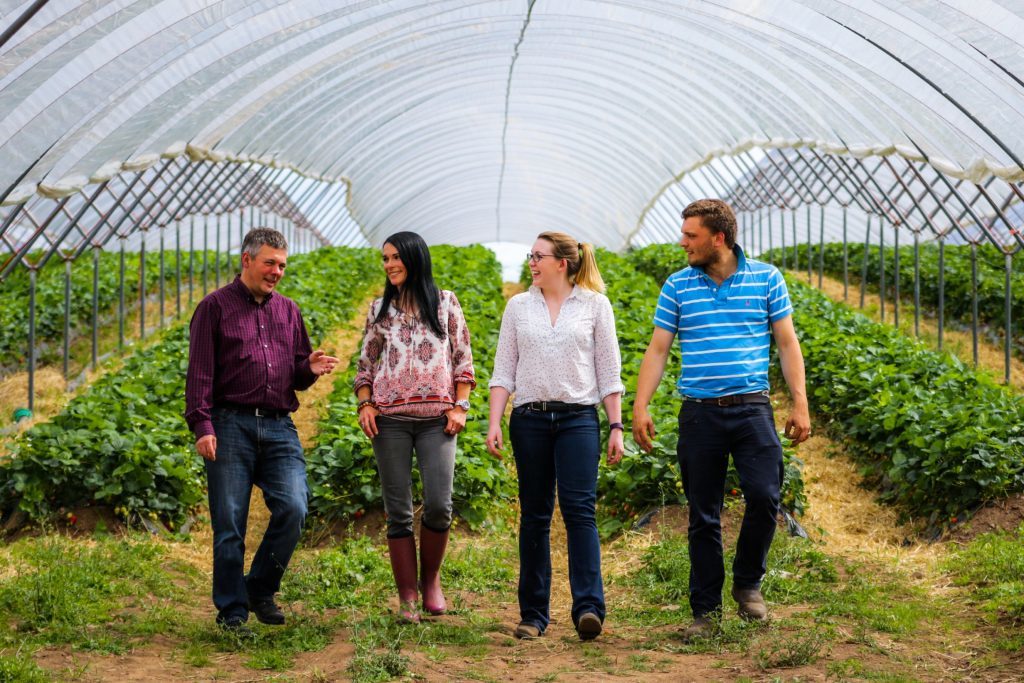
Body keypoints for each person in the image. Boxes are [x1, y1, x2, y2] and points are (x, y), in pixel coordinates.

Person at [632, 198, 810, 640]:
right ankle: (705, 612)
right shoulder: (677, 286)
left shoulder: (767, 279)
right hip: (699, 413)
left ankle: (748, 583)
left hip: (753, 408)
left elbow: (787, 344)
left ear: (719, 237)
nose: (683, 242)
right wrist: (640, 405)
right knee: (703, 514)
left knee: (766, 496)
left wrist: (800, 402)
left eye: (691, 235)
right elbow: (658, 350)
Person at [185, 227, 339, 634]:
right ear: (247, 260)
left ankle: (260, 588)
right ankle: (232, 611)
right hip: (229, 423)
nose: (277, 271)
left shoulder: (288, 310)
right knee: (229, 523)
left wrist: (309, 368)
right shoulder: (213, 308)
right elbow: (199, 372)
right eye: (270, 262)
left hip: (277, 425)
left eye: (283, 265)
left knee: (294, 506)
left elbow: (297, 373)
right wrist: (202, 424)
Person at [487, 231, 625, 642]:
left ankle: (588, 607)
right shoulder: (518, 306)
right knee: (534, 514)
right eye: (530, 255)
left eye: (538, 256)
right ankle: (533, 614)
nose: (531, 262)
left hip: (579, 420)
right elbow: (503, 370)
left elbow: (609, 373)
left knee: (580, 511)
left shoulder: (595, 306)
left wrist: (615, 426)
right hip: (528, 420)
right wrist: (495, 421)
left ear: (562, 263)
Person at [354, 231, 474, 624]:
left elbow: (463, 359)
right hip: (389, 422)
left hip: (437, 422)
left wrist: (460, 406)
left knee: (439, 504)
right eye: (384, 259)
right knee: (398, 511)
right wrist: (365, 403)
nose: (388, 264)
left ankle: (431, 583)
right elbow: (365, 366)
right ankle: (407, 596)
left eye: (395, 258)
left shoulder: (445, 304)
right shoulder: (378, 310)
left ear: (414, 258)